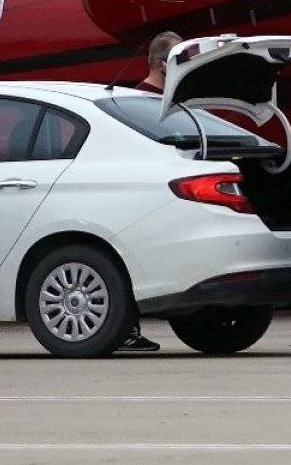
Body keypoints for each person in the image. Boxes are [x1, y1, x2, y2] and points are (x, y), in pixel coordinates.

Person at [118, 31, 185, 352]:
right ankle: (125, 330)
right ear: (161, 65)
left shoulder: (177, 103)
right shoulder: (137, 102)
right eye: (180, 60)